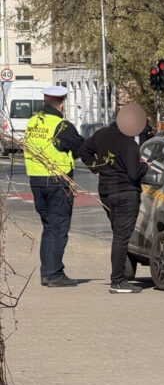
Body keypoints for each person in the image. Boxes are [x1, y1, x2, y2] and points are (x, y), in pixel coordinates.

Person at [80, 103, 149, 294]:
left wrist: (97, 168)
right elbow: (135, 174)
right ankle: (118, 281)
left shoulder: (101, 135)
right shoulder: (129, 144)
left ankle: (119, 277)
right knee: (121, 237)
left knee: (118, 235)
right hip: (126, 193)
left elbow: (84, 151)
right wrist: (146, 166)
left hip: (106, 192)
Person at [24, 85, 84, 287]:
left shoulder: (33, 122)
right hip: (57, 181)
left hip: (36, 180)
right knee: (58, 228)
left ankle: (47, 272)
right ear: (61, 104)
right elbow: (79, 147)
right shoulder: (61, 125)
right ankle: (54, 274)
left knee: (48, 227)